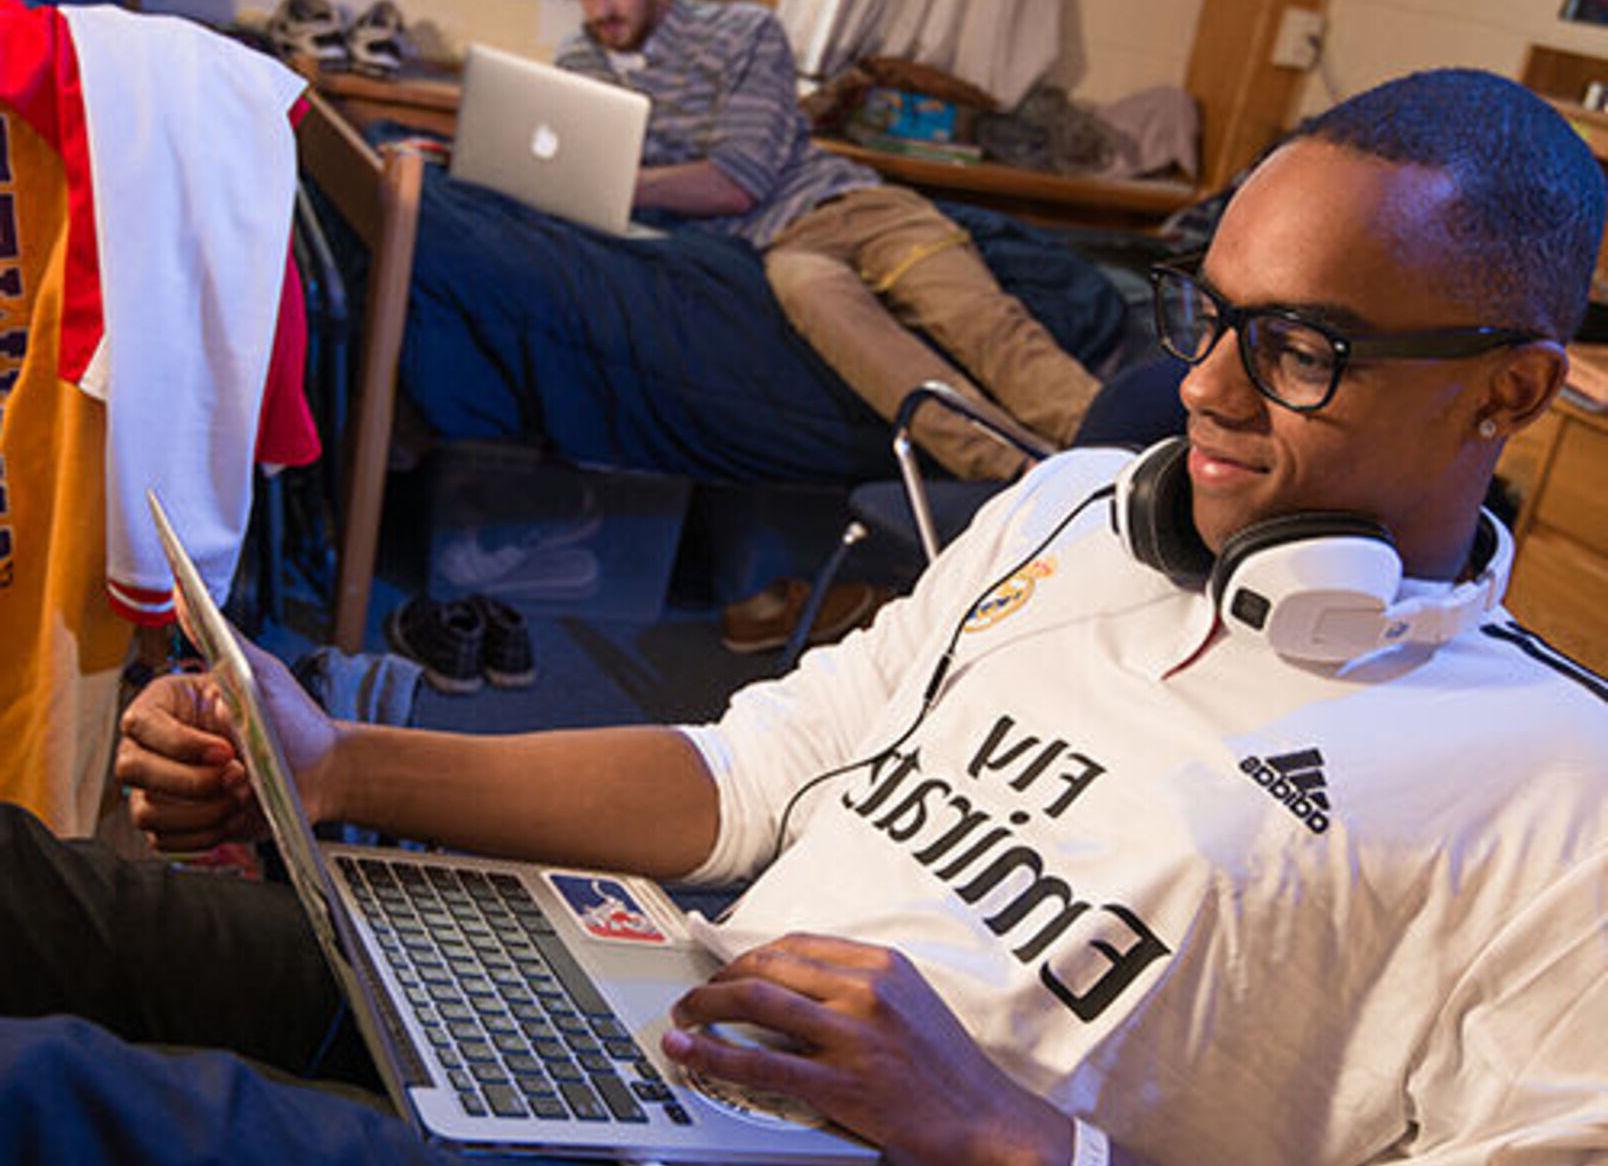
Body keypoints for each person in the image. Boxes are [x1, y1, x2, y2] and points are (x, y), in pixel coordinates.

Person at [3, 67, 1607, 1165]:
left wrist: (1008, 1132)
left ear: (1512, 387)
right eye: (1216, 317)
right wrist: (335, 763)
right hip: (643, 1019)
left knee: (46, 1098)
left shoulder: (1559, 790)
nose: (1202, 389)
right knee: (37, 900)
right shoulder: (1074, 514)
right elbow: (759, 763)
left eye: (1302, 347)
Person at [557, 0, 1106, 482]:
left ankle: (1122, 439)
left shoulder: (744, 31)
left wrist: (618, 183)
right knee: (833, 314)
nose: (601, 11)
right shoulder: (577, 66)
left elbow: (737, 182)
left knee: (981, 322)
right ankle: (1020, 468)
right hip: (780, 248)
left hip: (855, 207)